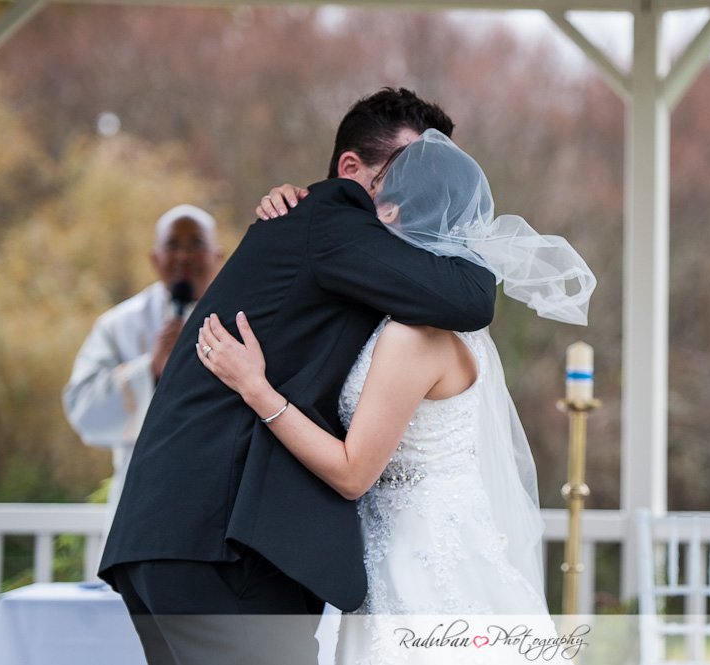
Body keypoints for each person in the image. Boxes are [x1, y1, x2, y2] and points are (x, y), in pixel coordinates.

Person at [97, 88, 496, 665]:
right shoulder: (331, 220)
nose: (419, 194)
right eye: (410, 172)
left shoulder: (322, 230)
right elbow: (471, 299)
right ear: (350, 169)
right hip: (215, 542)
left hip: (181, 537)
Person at [197, 129, 596, 663]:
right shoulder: (439, 320)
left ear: (392, 211)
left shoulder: (412, 335)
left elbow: (352, 472)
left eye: (378, 193)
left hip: (421, 556)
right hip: (423, 538)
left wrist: (256, 388)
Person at [63, 205, 223, 516]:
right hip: (142, 496)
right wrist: (149, 371)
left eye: (196, 244)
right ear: (154, 258)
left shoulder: (242, 319)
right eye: (172, 246)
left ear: (218, 256)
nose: (184, 257)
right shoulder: (119, 324)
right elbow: (81, 407)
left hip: (217, 493)